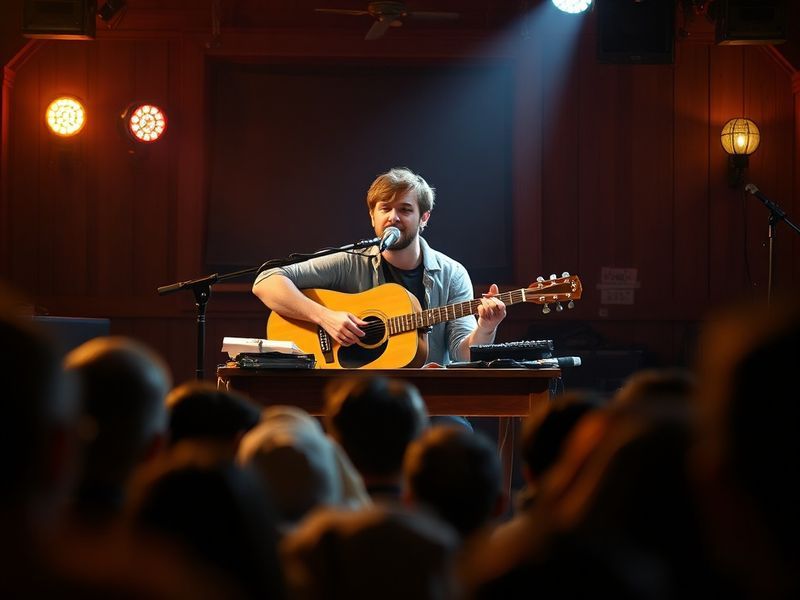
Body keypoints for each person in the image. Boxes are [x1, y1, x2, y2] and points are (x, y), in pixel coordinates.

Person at [252, 167, 507, 367]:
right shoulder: (351, 261)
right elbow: (267, 281)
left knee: (456, 433)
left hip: (431, 398)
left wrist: (486, 327)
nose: (393, 217)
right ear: (372, 215)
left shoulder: (452, 274)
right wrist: (325, 317)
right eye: (385, 208)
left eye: (405, 209)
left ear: (424, 218)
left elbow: (463, 355)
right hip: (360, 394)